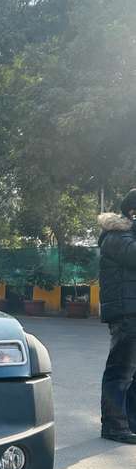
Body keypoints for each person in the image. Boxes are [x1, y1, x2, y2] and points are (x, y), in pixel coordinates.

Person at [99, 189, 136, 443]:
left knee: (133, 373)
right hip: (126, 313)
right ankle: (113, 425)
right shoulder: (115, 236)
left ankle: (129, 422)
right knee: (121, 371)